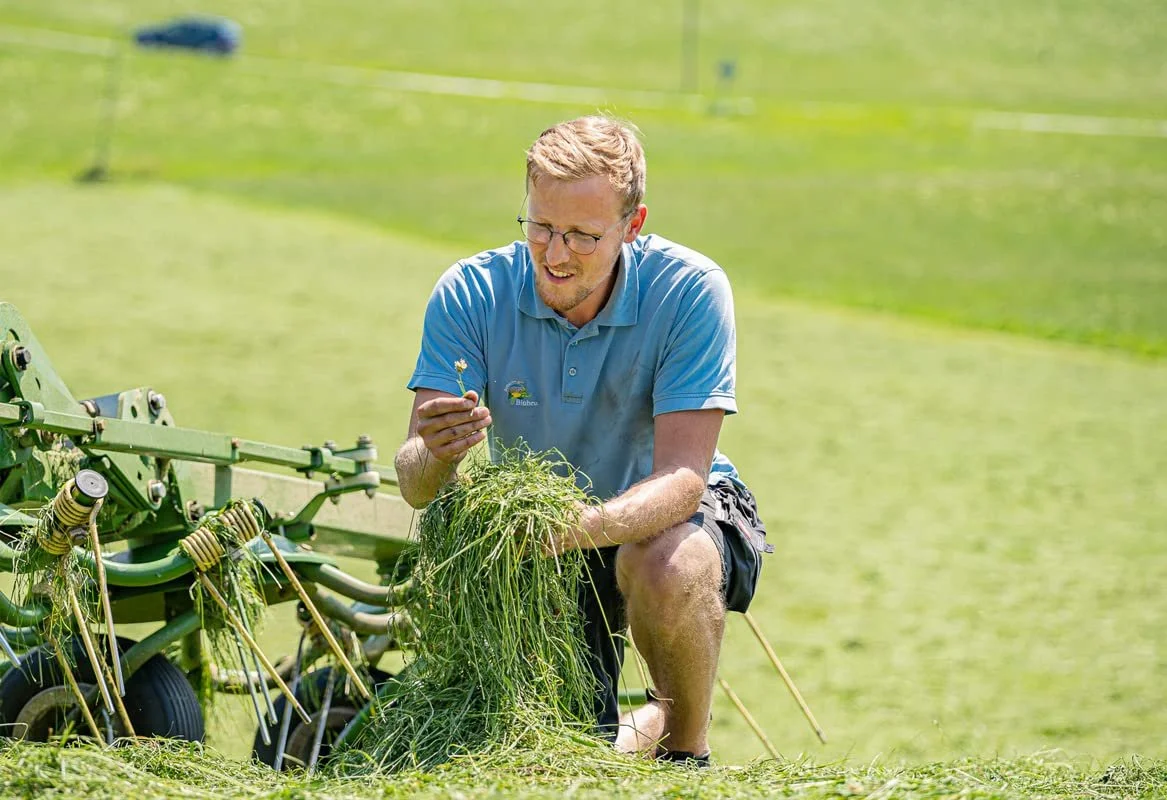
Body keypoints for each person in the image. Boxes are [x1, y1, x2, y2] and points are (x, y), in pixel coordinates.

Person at [394, 115, 770, 765]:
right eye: (539, 226)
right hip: (548, 533)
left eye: (582, 235)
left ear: (633, 224)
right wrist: (436, 452)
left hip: (668, 514)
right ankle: (643, 725)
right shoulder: (469, 291)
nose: (555, 253)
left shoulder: (689, 289)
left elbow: (683, 478)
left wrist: (573, 528)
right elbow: (414, 483)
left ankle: (686, 757)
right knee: (568, 752)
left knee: (660, 563)